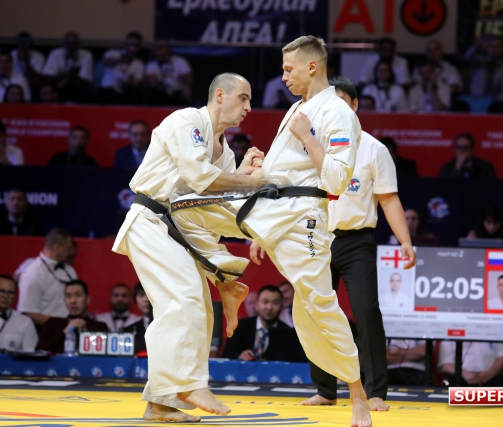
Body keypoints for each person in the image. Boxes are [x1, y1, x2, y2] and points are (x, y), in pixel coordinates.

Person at [170, 36, 372, 426]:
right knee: (181, 209)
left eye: (289, 69)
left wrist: (306, 135)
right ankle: (227, 283)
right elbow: (289, 168)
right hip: (270, 207)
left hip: (303, 219)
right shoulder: (297, 107)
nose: (283, 77)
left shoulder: (337, 112)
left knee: (316, 305)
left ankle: (357, 392)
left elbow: (336, 181)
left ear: (312, 66)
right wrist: (262, 169)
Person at [111, 72, 266, 421]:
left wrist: (243, 176)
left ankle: (161, 404)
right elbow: (200, 179)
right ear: (220, 95)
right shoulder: (187, 121)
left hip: (182, 226)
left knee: (198, 308)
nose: (248, 107)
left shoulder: (225, 152)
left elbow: (211, 206)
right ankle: (186, 384)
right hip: (152, 220)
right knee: (182, 299)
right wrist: (252, 181)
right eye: (243, 98)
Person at [292, 75, 416, 411]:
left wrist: (405, 241)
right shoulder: (309, 146)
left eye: (342, 103)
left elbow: (389, 199)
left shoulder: (374, 149)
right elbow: (291, 198)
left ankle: (375, 391)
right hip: (315, 238)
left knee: (366, 311)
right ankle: (325, 389)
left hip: (356, 241)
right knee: (316, 312)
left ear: (355, 105)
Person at [16, 228, 77, 326]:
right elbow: (28, 312)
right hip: (45, 331)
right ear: (57, 248)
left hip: (69, 329)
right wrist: (61, 324)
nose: (70, 252)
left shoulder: (70, 270)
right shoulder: (33, 273)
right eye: (68, 249)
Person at [36, 280, 109, 353]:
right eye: (69, 296)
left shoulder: (99, 327)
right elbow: (39, 350)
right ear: (65, 300)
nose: (73, 301)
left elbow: (105, 354)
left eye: (78, 295)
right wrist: (68, 329)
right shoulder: (53, 323)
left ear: (87, 299)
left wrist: (86, 334)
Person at [222, 285, 290, 360]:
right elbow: (227, 353)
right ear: (257, 305)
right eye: (265, 302)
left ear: (281, 306)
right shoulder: (239, 327)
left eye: (275, 303)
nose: (269, 307)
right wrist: (239, 355)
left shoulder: (288, 333)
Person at [41, 32, 93, 103]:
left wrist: (68, 83)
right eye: (69, 43)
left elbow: (85, 78)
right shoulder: (55, 53)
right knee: (48, 86)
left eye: (74, 43)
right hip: (57, 82)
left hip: (74, 84)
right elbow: (47, 75)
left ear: (78, 44)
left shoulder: (86, 55)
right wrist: (60, 81)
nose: (71, 45)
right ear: (64, 43)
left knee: (82, 87)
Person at [97, 32, 145, 104]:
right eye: (131, 43)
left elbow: (137, 82)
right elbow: (106, 62)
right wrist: (121, 60)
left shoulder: (139, 64)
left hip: (124, 92)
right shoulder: (113, 53)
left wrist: (129, 83)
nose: (133, 47)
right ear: (126, 43)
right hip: (108, 89)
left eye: (136, 45)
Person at [439, 341, 503, 386]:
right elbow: (445, 364)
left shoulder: (494, 329)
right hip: (461, 377)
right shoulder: (452, 330)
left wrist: (489, 374)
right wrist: (465, 374)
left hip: (491, 377)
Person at [0, 274, 38, 352]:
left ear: (15, 296)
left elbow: (30, 354)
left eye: (10, 293)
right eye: (1, 291)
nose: (5, 296)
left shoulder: (25, 322)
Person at [124, 282, 152, 354]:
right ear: (135, 301)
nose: (146, 299)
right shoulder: (128, 331)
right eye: (141, 295)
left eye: (150, 295)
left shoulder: (169, 326)